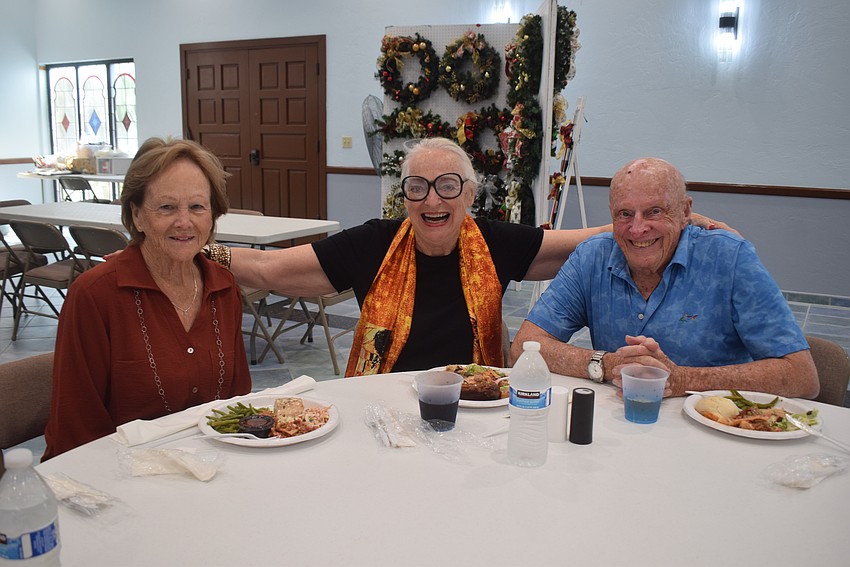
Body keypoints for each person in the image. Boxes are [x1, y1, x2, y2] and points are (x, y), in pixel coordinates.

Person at [217, 138, 726, 376]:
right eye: (418, 187)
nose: (433, 200)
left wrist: (658, 222)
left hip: (477, 403)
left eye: (447, 186)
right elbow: (268, 269)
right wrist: (201, 248)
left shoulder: (492, 243)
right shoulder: (373, 242)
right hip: (382, 403)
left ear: (469, 195)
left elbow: (576, 241)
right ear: (405, 196)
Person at [511, 157, 819, 399]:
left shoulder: (729, 258)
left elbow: (801, 376)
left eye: (655, 211)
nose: (637, 229)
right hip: (619, 429)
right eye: (624, 214)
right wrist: (606, 364)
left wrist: (684, 379)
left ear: (686, 212)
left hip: (712, 430)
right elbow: (524, 346)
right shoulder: (592, 257)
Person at [43, 138, 252, 459]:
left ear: (213, 216)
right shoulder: (95, 295)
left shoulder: (223, 286)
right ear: (137, 215)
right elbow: (76, 426)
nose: (184, 222)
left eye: (197, 207)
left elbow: (236, 405)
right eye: (166, 207)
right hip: (119, 478)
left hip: (211, 470)